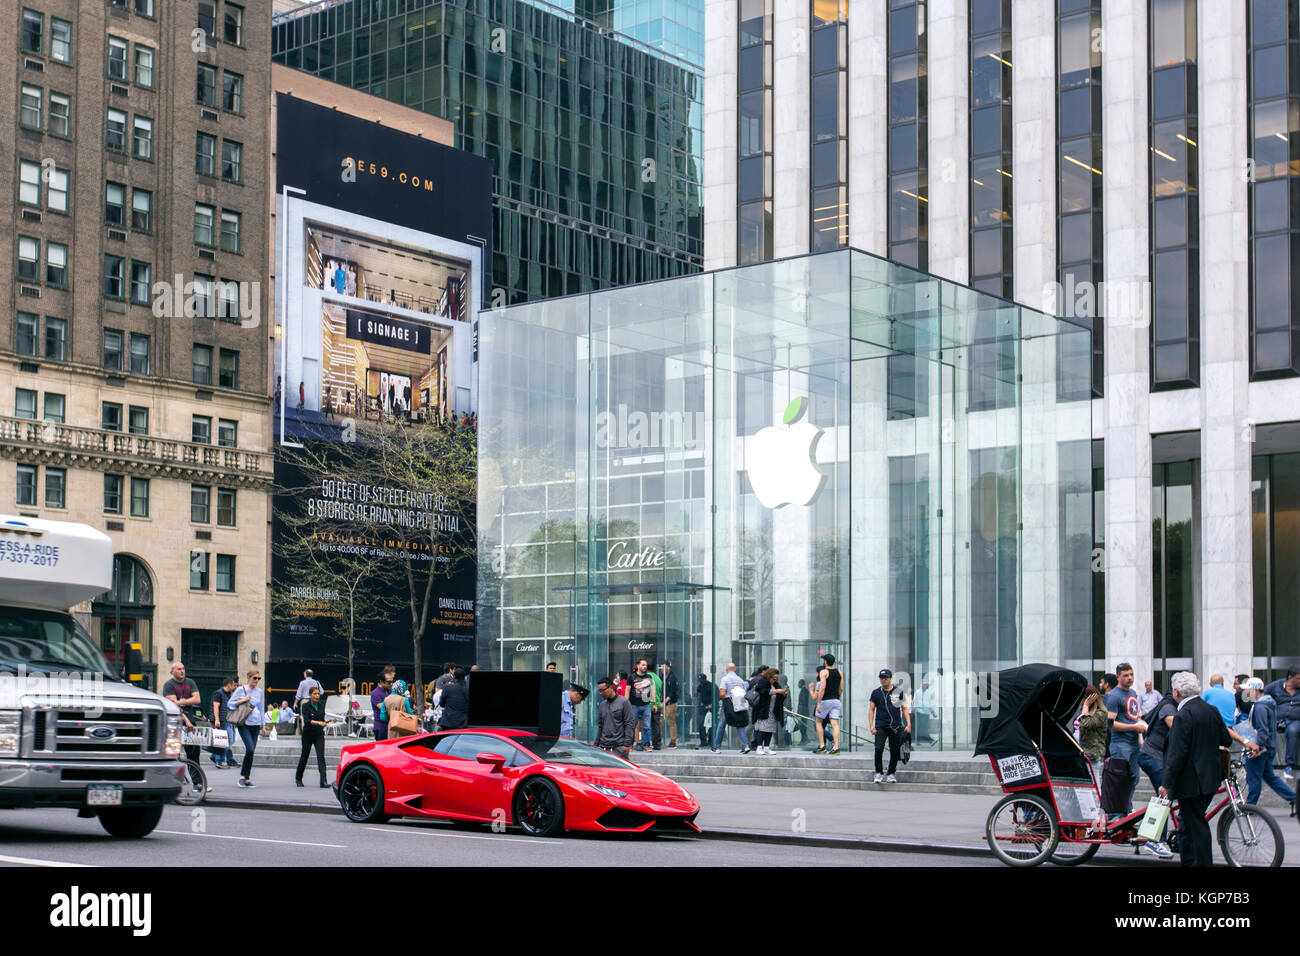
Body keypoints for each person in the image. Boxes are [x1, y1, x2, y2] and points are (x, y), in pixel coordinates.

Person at [1159, 672, 1232, 867]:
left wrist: (1166, 783)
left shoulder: (1183, 715)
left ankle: (1201, 863)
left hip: (1191, 781)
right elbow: (1226, 739)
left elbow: (1177, 753)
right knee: (1188, 824)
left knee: (1196, 825)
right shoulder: (1211, 710)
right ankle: (1189, 861)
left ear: (1176, 692)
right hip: (1210, 777)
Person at [1240, 677, 1296, 810]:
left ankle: (1250, 806)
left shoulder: (1260, 706)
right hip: (1269, 746)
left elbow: (1262, 730)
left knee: (1254, 778)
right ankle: (1294, 798)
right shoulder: (1269, 703)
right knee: (1270, 777)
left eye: (1247, 690)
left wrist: (1257, 748)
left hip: (1260, 747)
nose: (1246, 693)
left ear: (1254, 690)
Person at [1136, 685, 1177, 859]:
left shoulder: (1170, 704)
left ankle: (1153, 832)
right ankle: (1155, 841)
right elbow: (1177, 729)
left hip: (1156, 756)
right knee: (1164, 796)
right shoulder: (1168, 707)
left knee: (1166, 795)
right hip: (1152, 756)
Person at [1104, 662, 1148, 814]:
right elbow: (1110, 724)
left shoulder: (1133, 693)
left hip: (1134, 743)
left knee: (1133, 779)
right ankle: (1117, 813)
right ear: (1118, 677)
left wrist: (1139, 723)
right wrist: (1133, 727)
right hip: (1120, 743)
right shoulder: (1114, 696)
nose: (1129, 678)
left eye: (1131, 675)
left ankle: (1125, 809)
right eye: (1125, 675)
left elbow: (1133, 716)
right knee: (1120, 780)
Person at [868, 669, 910, 782]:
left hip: (895, 726)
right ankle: (878, 772)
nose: (883, 680)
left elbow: (904, 708)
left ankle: (891, 773)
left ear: (890, 678)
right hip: (881, 725)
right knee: (878, 748)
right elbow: (871, 709)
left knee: (895, 750)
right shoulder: (876, 693)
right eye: (881, 678)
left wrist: (908, 724)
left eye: (886, 678)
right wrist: (871, 725)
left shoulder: (898, 691)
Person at [227, 670, 265, 788]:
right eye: (255, 678)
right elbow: (230, 704)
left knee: (252, 751)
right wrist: (243, 700)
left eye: (259, 678)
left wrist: (263, 725)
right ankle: (242, 777)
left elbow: (261, 707)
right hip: (244, 723)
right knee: (249, 749)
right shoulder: (241, 689)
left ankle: (247, 778)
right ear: (248, 678)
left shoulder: (259, 691)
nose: (257, 681)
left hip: (256, 723)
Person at [162, 662, 203, 766]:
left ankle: (197, 781)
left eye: (183, 669)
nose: (182, 671)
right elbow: (175, 708)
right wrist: (186, 721)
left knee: (194, 752)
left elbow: (197, 699)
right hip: (175, 722)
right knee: (174, 752)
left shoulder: (190, 682)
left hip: (190, 721)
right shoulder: (168, 685)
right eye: (179, 669)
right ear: (172, 671)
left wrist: (180, 702)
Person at [1262, 667, 1300, 780]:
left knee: (1293, 731)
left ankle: (1289, 765)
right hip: (1278, 720)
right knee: (1264, 729)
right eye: (1298, 679)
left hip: (1295, 721)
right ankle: (1264, 763)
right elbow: (1257, 694)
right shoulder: (1276, 686)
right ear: (1290, 678)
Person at [712, 662, 752, 754]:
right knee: (740, 724)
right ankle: (745, 746)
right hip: (739, 705)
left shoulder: (725, 679)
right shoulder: (740, 680)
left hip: (728, 704)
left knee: (722, 724)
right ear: (735, 669)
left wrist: (721, 697)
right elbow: (744, 692)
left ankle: (716, 746)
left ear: (726, 670)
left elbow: (722, 693)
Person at [296, 686, 329, 788]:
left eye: (318, 694)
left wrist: (328, 721)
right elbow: (307, 720)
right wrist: (319, 723)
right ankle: (298, 778)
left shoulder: (321, 704)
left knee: (321, 757)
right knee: (304, 757)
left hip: (319, 734)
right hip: (308, 734)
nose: (317, 696)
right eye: (314, 693)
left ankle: (323, 781)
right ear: (310, 695)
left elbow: (323, 718)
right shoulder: (305, 706)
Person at [812, 653, 844, 755]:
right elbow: (841, 688)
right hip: (836, 700)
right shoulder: (839, 672)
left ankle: (822, 746)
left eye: (824, 660)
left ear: (825, 661)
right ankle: (836, 747)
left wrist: (819, 703)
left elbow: (822, 687)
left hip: (826, 700)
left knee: (818, 722)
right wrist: (837, 697)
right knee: (835, 724)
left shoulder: (824, 672)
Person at [595, 676, 634, 757]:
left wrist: (627, 744)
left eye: (602, 690)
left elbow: (629, 724)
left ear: (611, 687)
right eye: (599, 691)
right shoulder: (602, 705)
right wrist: (596, 745)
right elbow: (600, 726)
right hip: (603, 748)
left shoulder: (624, 702)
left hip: (619, 748)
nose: (601, 693)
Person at [1077, 685, 1108, 786]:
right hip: (1083, 754)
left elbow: (1085, 723)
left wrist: (1085, 706)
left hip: (1093, 755)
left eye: (1082, 698)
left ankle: (1098, 802)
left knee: (1095, 785)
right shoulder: (1086, 711)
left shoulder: (1101, 713)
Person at [751, 668, 787, 755]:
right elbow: (763, 692)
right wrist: (776, 691)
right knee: (762, 730)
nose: (774, 680)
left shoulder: (776, 684)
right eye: (773, 678)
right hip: (763, 711)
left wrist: (783, 694)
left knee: (770, 730)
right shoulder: (762, 682)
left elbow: (778, 696)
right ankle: (759, 747)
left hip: (772, 711)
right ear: (769, 676)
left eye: (776, 679)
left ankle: (767, 747)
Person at [627, 659, 657, 753]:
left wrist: (655, 703)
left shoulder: (649, 677)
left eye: (646, 665)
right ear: (638, 666)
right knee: (632, 725)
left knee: (647, 727)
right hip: (634, 705)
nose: (645, 667)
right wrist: (626, 704)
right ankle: (630, 744)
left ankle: (646, 746)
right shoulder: (631, 677)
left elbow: (653, 690)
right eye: (643, 665)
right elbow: (627, 691)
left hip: (646, 705)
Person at [209, 676, 238, 769]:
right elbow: (215, 706)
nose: (235, 687)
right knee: (224, 741)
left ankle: (215, 756)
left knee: (229, 740)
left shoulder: (228, 694)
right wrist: (217, 719)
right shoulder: (218, 693)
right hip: (221, 721)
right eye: (233, 685)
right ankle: (220, 761)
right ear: (229, 685)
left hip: (227, 720)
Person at [659, 662, 680, 749]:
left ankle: (673, 741)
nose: (662, 669)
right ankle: (658, 740)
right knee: (659, 721)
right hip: (663, 702)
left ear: (668, 667)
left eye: (664, 667)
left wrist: (664, 703)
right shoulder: (662, 677)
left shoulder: (672, 678)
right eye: (661, 667)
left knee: (671, 722)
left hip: (670, 703)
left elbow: (672, 693)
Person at [370, 667, 394, 740]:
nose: (391, 684)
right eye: (388, 682)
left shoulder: (390, 691)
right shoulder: (375, 693)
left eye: (392, 682)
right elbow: (383, 707)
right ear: (381, 682)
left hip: (391, 726)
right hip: (381, 728)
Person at [695, 673, 713, 747]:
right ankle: (703, 741)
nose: (701, 682)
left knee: (711, 724)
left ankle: (710, 741)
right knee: (701, 724)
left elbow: (715, 696)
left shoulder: (711, 686)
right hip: (703, 707)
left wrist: (711, 704)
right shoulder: (700, 686)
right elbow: (697, 693)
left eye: (702, 680)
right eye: (700, 680)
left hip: (710, 707)